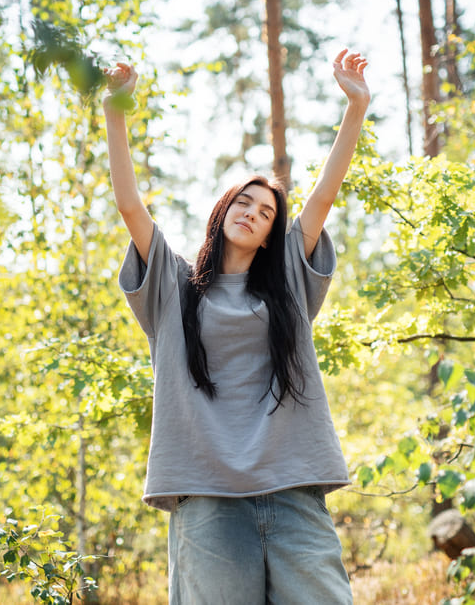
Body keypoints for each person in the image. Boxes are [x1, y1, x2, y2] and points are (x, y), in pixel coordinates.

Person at [103, 48, 370, 605]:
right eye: (242, 203)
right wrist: (116, 110)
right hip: (206, 499)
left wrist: (356, 107)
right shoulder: (172, 289)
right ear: (222, 212)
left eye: (265, 211)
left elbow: (323, 195)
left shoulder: (291, 284)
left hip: (294, 490)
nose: (251, 212)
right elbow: (130, 206)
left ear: (273, 234)